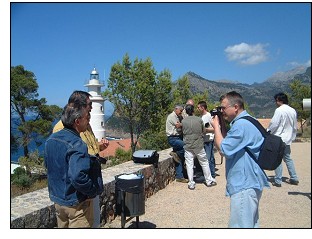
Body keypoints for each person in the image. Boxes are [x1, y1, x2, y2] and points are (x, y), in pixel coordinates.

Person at [210, 91, 270, 228]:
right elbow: (229, 143)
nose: (222, 111)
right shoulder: (248, 120)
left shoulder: (241, 125)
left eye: (223, 108)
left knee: (240, 227)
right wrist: (222, 126)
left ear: (235, 107)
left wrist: (215, 128)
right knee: (251, 224)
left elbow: (224, 149)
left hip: (244, 184)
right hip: (250, 181)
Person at [53, 90, 109, 228]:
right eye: (89, 104)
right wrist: (88, 190)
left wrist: (99, 146)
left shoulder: (85, 121)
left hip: (88, 182)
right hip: (77, 192)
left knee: (93, 223)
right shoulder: (62, 128)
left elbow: (89, 146)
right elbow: (64, 162)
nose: (92, 107)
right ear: (79, 105)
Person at [45, 103, 101, 228]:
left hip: (59, 201)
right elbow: (78, 177)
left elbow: (50, 168)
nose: (89, 120)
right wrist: (91, 191)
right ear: (77, 121)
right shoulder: (77, 143)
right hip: (77, 205)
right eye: (87, 117)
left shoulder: (50, 140)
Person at [267, 92, 299, 187]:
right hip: (288, 138)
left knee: (277, 159)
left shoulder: (279, 110)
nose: (275, 102)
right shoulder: (293, 110)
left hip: (279, 138)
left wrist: (268, 131)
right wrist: (293, 136)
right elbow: (295, 126)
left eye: (276, 100)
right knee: (288, 158)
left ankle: (278, 180)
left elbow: (274, 124)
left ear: (279, 100)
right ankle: (294, 177)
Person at [182, 104, 216, 190]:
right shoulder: (199, 120)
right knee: (204, 162)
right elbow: (204, 131)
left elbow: (182, 131)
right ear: (193, 111)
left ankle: (191, 183)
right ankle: (209, 180)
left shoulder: (183, 121)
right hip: (198, 145)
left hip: (188, 145)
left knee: (189, 164)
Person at [166, 104, 188, 183]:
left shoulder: (179, 116)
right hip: (173, 138)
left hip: (178, 138)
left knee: (179, 157)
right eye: (180, 111)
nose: (181, 113)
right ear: (176, 109)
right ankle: (175, 154)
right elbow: (179, 126)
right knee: (185, 146)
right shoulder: (172, 116)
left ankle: (180, 176)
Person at [197, 100, 216, 178]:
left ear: (203, 107)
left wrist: (206, 130)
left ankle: (208, 176)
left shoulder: (209, 116)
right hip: (204, 140)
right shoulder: (201, 117)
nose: (197, 109)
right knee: (210, 158)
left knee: (207, 158)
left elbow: (215, 128)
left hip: (208, 140)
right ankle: (212, 174)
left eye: (198, 107)